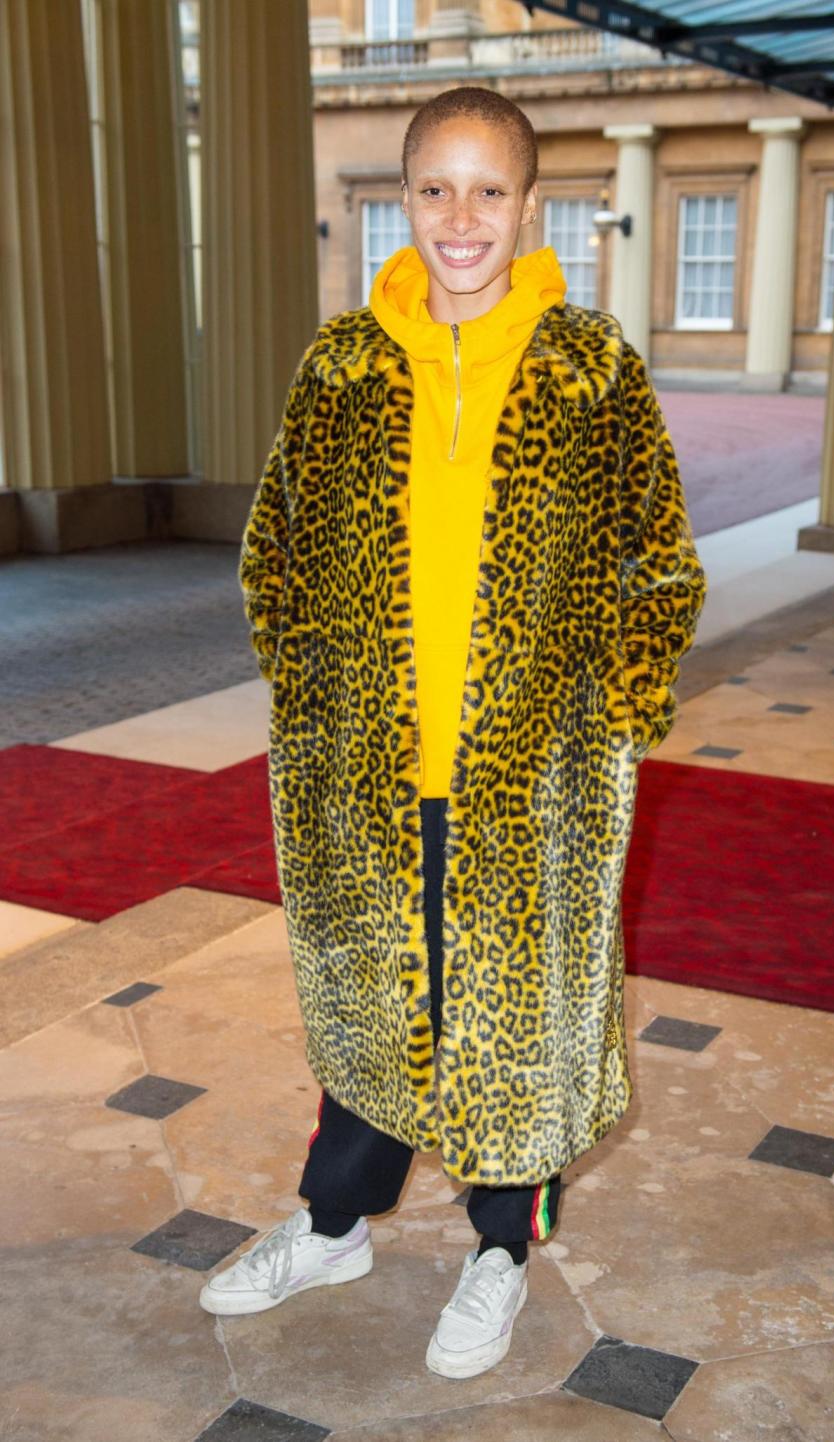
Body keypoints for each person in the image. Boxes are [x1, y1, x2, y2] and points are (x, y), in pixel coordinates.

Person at [201, 86, 707, 1380]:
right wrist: (313, 707)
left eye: (490, 189)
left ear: (532, 206)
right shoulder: (342, 364)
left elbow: (656, 567)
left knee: (518, 1025)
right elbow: (277, 555)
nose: (462, 216)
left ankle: (502, 1247)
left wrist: (615, 723)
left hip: (532, 785)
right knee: (375, 1000)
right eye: (436, 188)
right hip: (364, 773)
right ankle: (331, 1225)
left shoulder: (592, 368)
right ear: (404, 201)